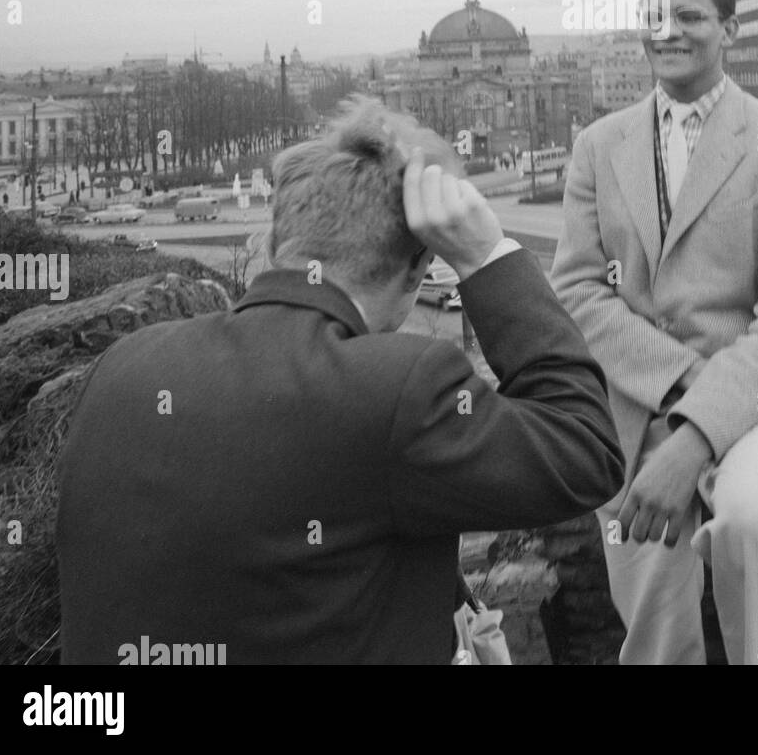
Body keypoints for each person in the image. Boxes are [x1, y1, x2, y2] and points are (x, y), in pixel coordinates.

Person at [57, 98, 623, 664]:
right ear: (420, 266)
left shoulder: (123, 368)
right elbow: (586, 450)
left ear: (279, 246)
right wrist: (487, 258)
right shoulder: (399, 388)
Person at [552, 0, 758, 666]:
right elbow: (579, 291)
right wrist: (678, 390)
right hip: (635, 408)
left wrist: (698, 435)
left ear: (728, 28)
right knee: (652, 607)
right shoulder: (597, 146)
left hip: (755, 403)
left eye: (689, 16)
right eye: (653, 17)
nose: (667, 31)